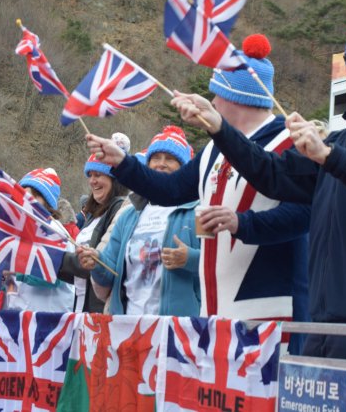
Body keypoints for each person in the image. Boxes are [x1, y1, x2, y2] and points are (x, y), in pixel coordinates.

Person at [162, 23, 346, 412]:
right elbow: (272, 174)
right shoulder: (342, 138)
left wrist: (328, 156)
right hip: (321, 317)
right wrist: (219, 127)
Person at [87, 34, 310, 353]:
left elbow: (303, 215)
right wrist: (123, 163)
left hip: (271, 307)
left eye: (217, 94)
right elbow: (169, 190)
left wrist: (241, 222)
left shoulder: (292, 143)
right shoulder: (214, 151)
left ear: (235, 98)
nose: (213, 102)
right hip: (213, 309)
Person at [80, 126, 201, 316]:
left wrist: (190, 259)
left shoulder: (199, 212)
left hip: (176, 327)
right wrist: (96, 262)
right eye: (156, 158)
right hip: (128, 325)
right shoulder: (128, 216)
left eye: (170, 159)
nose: (161, 164)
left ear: (184, 168)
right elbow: (109, 273)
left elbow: (220, 265)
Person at [0, 168, 76, 312]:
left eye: (34, 197)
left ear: (47, 204)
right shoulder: (14, 230)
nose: (26, 202)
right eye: (23, 195)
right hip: (17, 318)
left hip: (48, 319)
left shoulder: (56, 231)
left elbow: (54, 275)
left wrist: (15, 271)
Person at [57, 153, 129, 312]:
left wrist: (53, 259)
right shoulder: (94, 214)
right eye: (90, 175)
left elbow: (98, 264)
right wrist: (48, 265)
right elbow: (80, 275)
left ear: (114, 179)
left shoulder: (119, 209)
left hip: (100, 310)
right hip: (81, 307)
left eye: (98, 175)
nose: (92, 181)